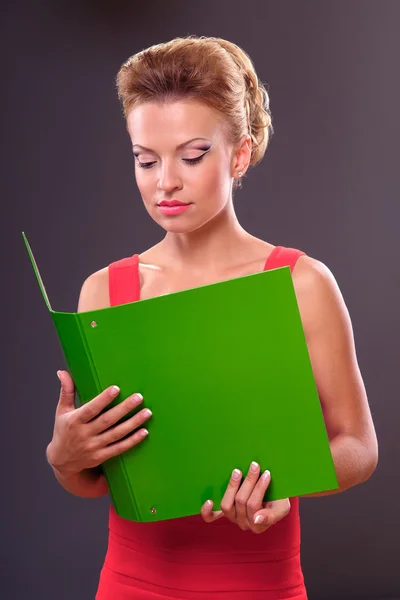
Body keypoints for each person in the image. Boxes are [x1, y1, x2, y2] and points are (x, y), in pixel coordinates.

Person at [46, 35, 378, 599]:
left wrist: (282, 481)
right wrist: (64, 457)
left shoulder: (300, 283)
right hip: (132, 583)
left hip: (261, 584)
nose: (164, 181)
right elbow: (98, 481)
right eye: (145, 160)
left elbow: (358, 446)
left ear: (240, 155)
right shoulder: (106, 291)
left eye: (192, 156)